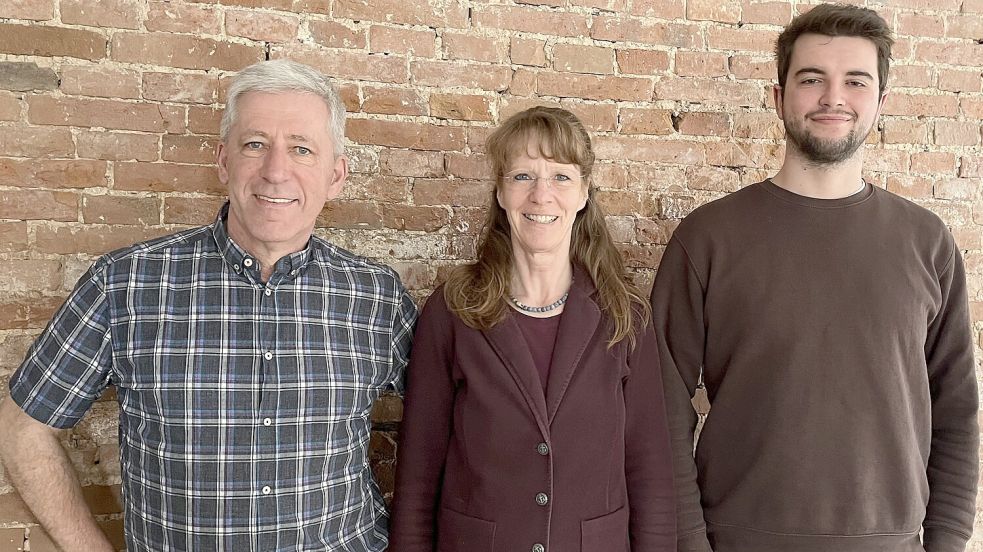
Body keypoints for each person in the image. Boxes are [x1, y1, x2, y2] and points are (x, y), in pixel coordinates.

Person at [0, 59, 417, 552]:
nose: (276, 171)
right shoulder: (127, 284)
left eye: (301, 149)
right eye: (255, 145)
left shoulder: (376, 295)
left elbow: (463, 418)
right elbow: (23, 427)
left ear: (336, 175)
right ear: (223, 160)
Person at [650, 4, 979, 552]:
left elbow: (957, 411)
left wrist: (945, 540)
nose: (834, 98)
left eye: (855, 81)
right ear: (778, 97)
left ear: (881, 100)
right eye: (811, 79)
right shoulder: (707, 238)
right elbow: (657, 407)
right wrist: (689, 539)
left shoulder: (928, 243)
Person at [388, 106, 675, 552]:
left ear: (583, 193)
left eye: (561, 176)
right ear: (501, 193)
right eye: (522, 176)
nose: (541, 195)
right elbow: (417, 474)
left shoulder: (625, 314)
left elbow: (651, 471)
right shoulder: (452, 309)